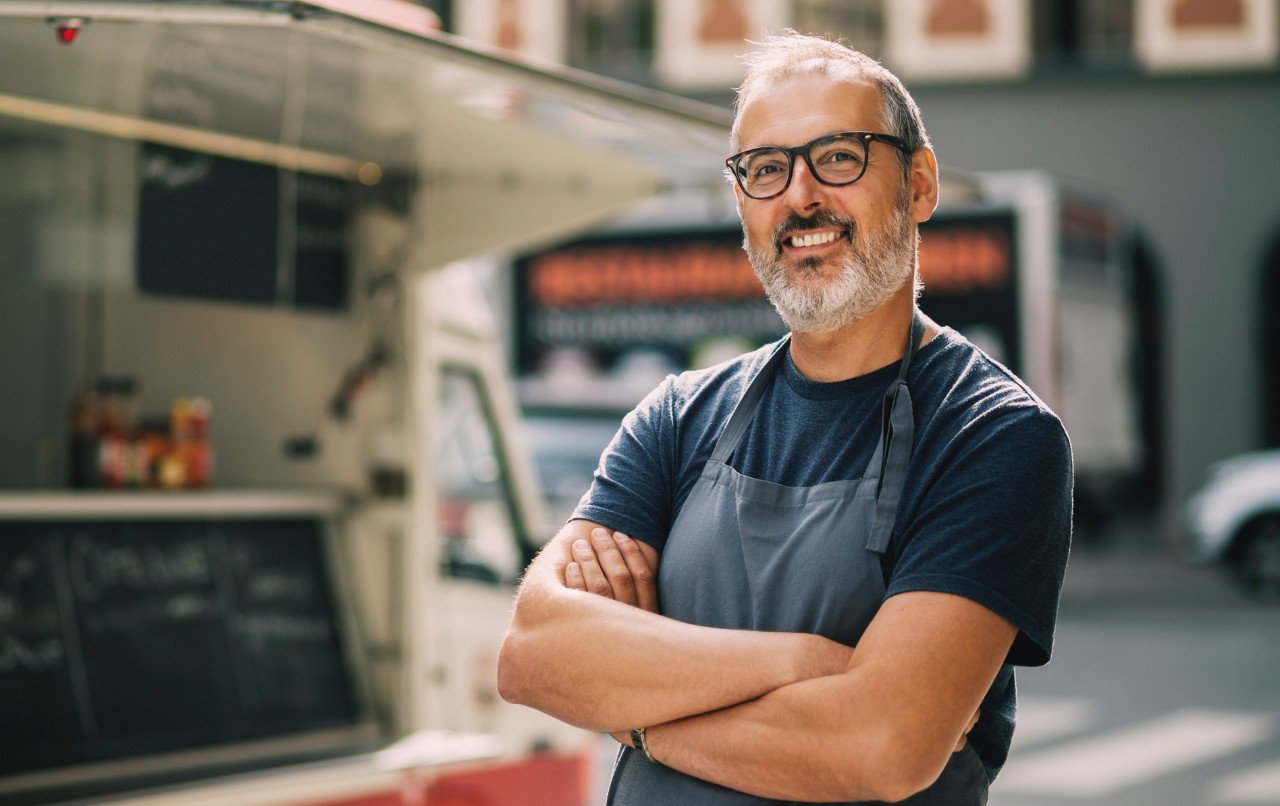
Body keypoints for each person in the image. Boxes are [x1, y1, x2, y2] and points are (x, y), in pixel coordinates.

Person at [498, 30, 1072, 805]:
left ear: (921, 184)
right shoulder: (675, 418)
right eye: (767, 169)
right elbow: (533, 655)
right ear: (742, 205)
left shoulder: (993, 436)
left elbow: (882, 745)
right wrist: (807, 660)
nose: (800, 196)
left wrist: (636, 716)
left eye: (838, 156)